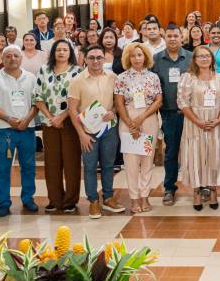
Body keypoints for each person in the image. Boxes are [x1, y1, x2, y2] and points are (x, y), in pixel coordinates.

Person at [68, 44, 125, 219]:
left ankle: (108, 197)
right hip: (88, 132)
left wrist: (113, 112)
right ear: (85, 59)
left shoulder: (113, 77)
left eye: (99, 57)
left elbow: (118, 102)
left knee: (109, 165)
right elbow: (72, 110)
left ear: (104, 59)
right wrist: (82, 134)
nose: (95, 61)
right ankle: (93, 200)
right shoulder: (77, 80)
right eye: (91, 57)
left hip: (109, 129)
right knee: (91, 167)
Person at [0, 45, 39, 217]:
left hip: (27, 129)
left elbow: (37, 103)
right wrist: (9, 119)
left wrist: (26, 120)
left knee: (28, 166)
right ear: (3, 59)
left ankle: (28, 199)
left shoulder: (31, 78)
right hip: (4, 131)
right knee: (3, 168)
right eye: (8, 56)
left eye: (16, 55)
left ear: (21, 58)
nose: (12, 58)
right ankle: (4, 203)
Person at [33, 39, 82, 214]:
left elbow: (79, 99)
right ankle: (54, 199)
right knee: (52, 163)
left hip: (70, 122)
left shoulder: (78, 72)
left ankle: (70, 200)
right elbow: (37, 98)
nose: (61, 52)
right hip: (49, 123)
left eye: (65, 49)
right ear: (53, 52)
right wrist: (51, 117)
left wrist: (61, 117)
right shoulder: (44, 71)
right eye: (58, 50)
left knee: (71, 162)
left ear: (70, 53)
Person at [178, 45, 220, 210]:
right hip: (195, 123)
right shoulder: (187, 78)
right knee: (195, 156)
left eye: (207, 55)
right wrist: (197, 121)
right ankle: (197, 192)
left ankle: (213, 189)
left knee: (214, 155)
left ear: (212, 59)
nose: (204, 58)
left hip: (215, 123)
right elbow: (183, 103)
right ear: (194, 60)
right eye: (200, 56)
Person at [114, 42, 163, 214]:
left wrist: (142, 117)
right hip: (128, 119)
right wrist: (130, 123)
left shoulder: (153, 77)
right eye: (133, 55)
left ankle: (145, 196)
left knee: (147, 161)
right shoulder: (121, 78)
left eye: (140, 55)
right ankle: (134, 199)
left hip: (149, 118)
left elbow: (158, 100)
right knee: (131, 162)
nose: (136, 58)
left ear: (146, 57)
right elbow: (118, 104)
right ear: (128, 57)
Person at [152, 24, 193, 205]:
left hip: (192, 114)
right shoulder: (156, 60)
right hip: (169, 113)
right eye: (169, 36)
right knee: (171, 153)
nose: (173, 39)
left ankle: (202, 187)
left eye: (176, 36)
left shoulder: (191, 58)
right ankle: (169, 188)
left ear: (181, 37)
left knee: (195, 151)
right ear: (165, 37)